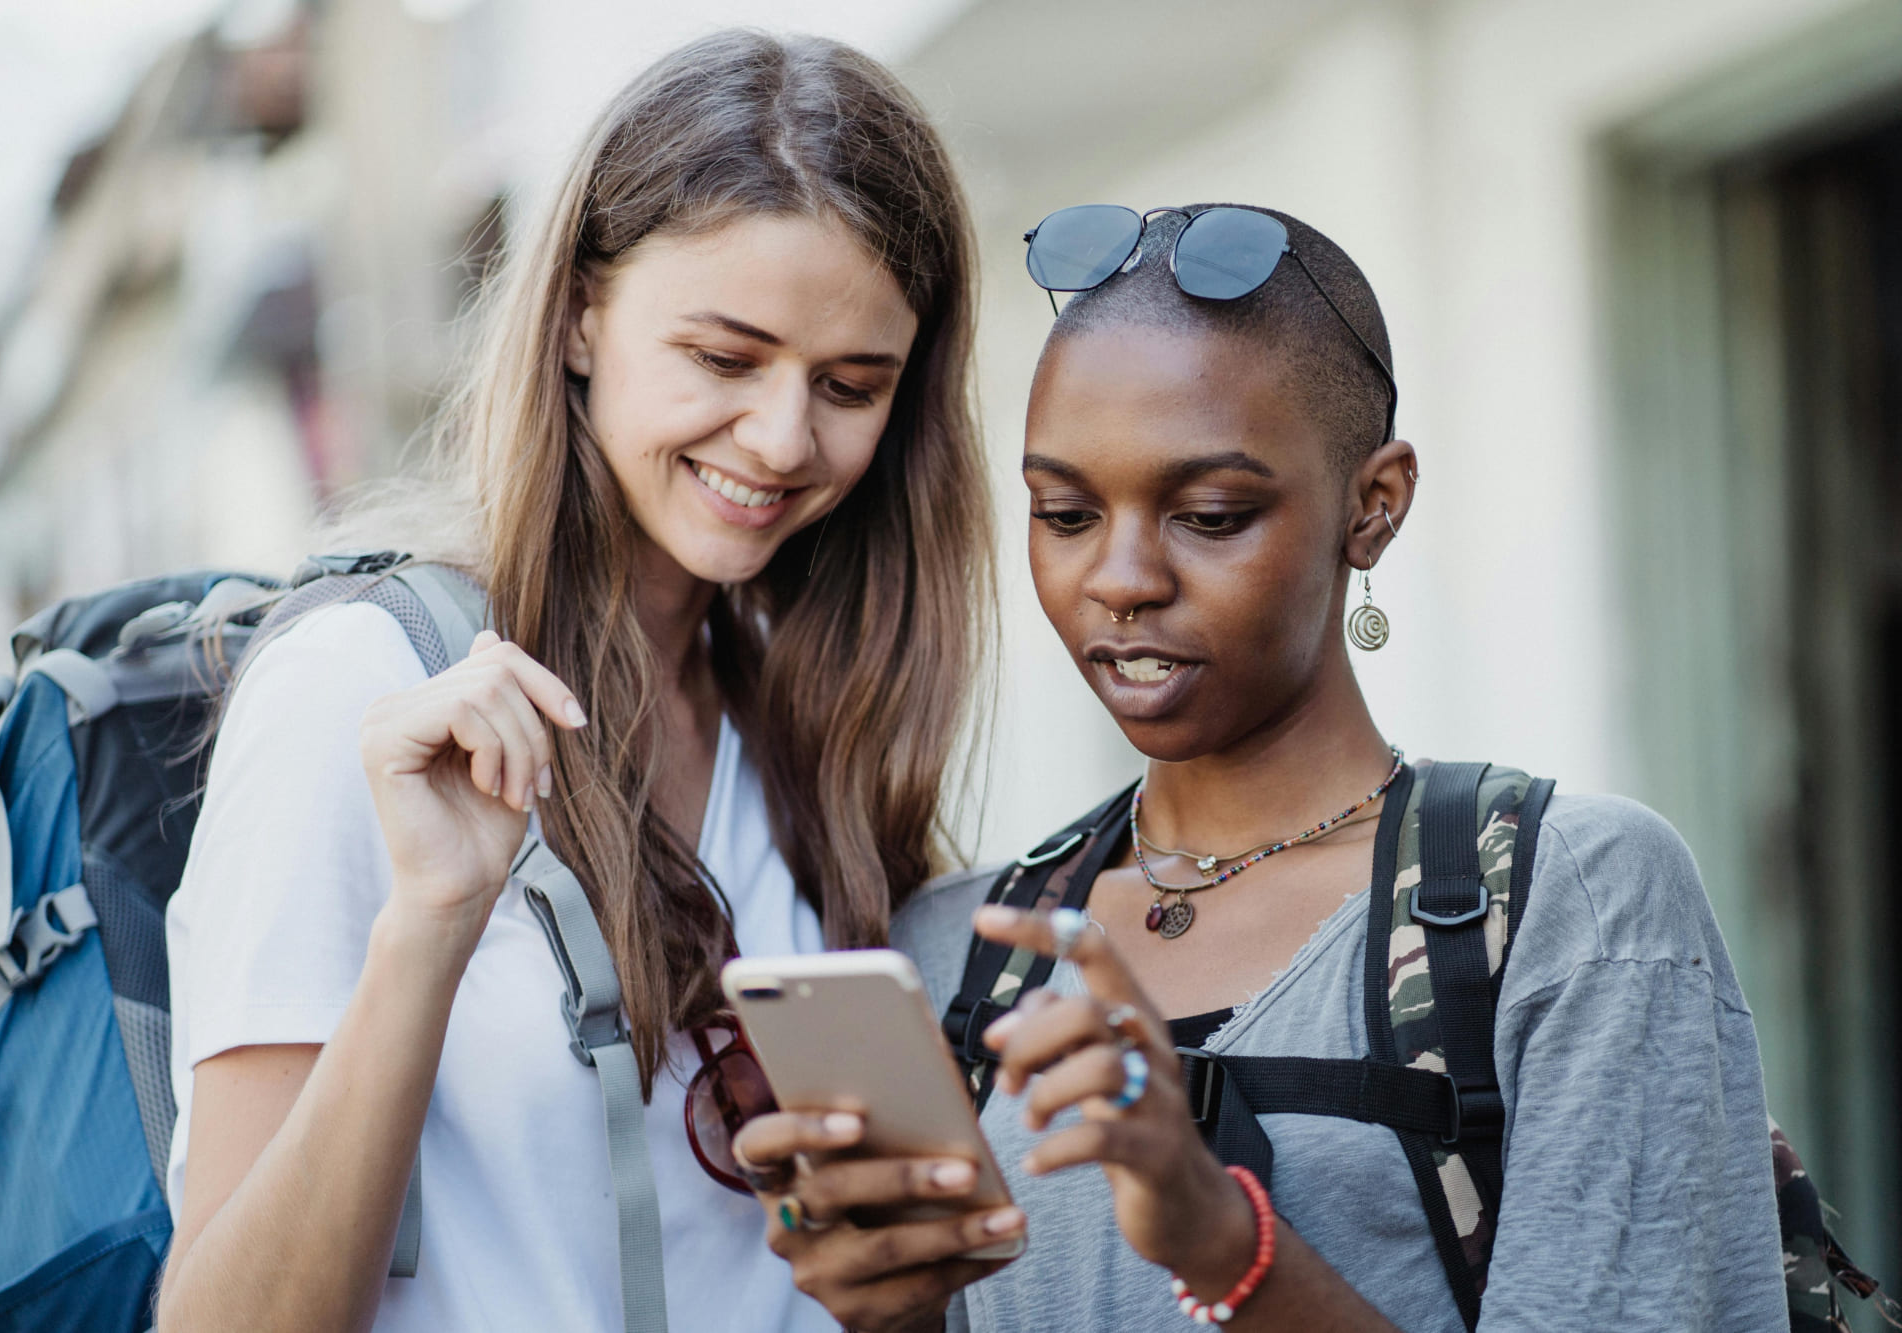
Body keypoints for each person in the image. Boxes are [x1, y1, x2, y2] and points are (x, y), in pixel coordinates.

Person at [733, 205, 1786, 1331]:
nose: (1121, 577)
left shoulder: (1558, 899)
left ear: (1371, 506)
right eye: (1065, 513)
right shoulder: (957, 954)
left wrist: (1221, 1242)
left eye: (1209, 513)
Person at [154, 31, 991, 1333]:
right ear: (584, 313)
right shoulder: (363, 688)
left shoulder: (801, 711)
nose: (781, 438)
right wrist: (429, 926)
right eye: (723, 359)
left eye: (850, 385)